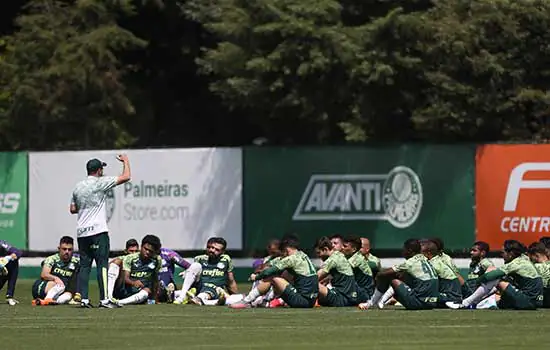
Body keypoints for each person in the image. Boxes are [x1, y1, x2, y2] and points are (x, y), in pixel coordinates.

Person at [70, 154, 131, 308]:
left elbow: (72, 209)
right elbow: (126, 176)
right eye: (102, 168)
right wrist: (125, 161)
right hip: (98, 231)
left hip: (82, 233)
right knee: (102, 264)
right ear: (98, 170)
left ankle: (84, 299)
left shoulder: (78, 186)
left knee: (84, 266)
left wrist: (86, 207)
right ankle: (104, 300)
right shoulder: (100, 182)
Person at [447, 240, 543, 310]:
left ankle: (465, 303)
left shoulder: (516, 264)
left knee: (495, 277)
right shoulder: (524, 258)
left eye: (503, 252)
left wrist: (478, 281)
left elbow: (490, 276)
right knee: (498, 295)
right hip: (532, 301)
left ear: (511, 253)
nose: (502, 255)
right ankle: (474, 303)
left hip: (527, 301)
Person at [230, 235, 319, 309]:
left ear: (286, 250)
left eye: (282, 252)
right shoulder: (303, 255)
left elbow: (268, 272)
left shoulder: (290, 259)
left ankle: (246, 301)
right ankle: (268, 301)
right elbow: (274, 263)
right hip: (311, 301)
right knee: (286, 274)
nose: (281, 255)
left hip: (301, 302)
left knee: (272, 278)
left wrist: (256, 277)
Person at [358, 238, 438, 310]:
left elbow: (384, 274)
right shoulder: (425, 259)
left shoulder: (410, 262)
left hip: (418, 303)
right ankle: (381, 301)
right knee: (404, 276)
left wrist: (378, 277)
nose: (403, 252)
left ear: (409, 251)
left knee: (390, 278)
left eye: (404, 249)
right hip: (432, 303)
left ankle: (372, 303)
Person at [173, 237, 238, 305]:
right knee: (195, 265)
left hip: (215, 290)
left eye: (217, 249)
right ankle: (183, 296)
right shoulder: (199, 259)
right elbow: (194, 275)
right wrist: (187, 272)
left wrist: (235, 296)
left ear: (223, 252)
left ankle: (193, 298)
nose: (212, 250)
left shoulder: (226, 260)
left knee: (238, 298)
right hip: (199, 288)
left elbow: (231, 281)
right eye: (210, 247)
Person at [114, 235, 163, 306]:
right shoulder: (130, 258)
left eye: (151, 251)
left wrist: (155, 298)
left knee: (147, 291)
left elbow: (155, 279)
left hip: (142, 291)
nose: (147, 252)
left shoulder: (157, 260)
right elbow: (125, 278)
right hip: (126, 289)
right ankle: (109, 297)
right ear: (141, 246)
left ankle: (119, 303)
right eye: (145, 249)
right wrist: (133, 282)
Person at [31, 236, 80, 305]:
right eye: (64, 249)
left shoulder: (75, 261)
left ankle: (43, 302)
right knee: (60, 285)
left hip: (59, 291)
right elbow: (44, 274)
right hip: (42, 287)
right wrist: (56, 278)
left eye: (69, 249)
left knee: (68, 296)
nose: (67, 252)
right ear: (59, 249)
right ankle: (48, 299)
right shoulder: (52, 259)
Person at [315, 236, 358, 307]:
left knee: (311, 282)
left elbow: (315, 278)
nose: (318, 256)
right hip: (351, 298)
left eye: (319, 253)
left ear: (325, 249)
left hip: (342, 299)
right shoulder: (339, 255)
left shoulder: (332, 260)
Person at [342, 236, 374, 303]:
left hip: (365, 294)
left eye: (345, 246)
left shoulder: (357, 258)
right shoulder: (349, 257)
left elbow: (340, 271)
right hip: (358, 290)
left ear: (353, 249)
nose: (342, 248)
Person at [527, 242, 550, 308]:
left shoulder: (534, 267)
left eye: (531, 257)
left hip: (540, 299)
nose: (530, 260)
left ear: (536, 255)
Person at [0, 240, 22, 305]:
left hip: (4, 267)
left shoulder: (2, 244)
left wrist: (8, 258)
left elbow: (18, 252)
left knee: (13, 263)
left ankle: (9, 296)